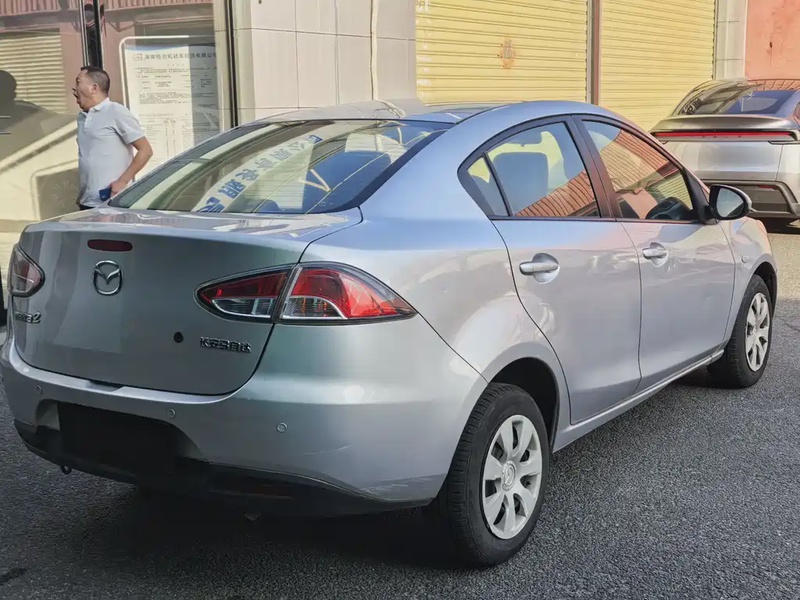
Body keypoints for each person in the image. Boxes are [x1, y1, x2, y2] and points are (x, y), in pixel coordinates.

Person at [72, 66, 153, 210]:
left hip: (112, 202)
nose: (74, 90)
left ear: (94, 88)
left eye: (78, 82)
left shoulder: (116, 111)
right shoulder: (82, 118)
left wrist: (122, 182)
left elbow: (145, 150)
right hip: (86, 202)